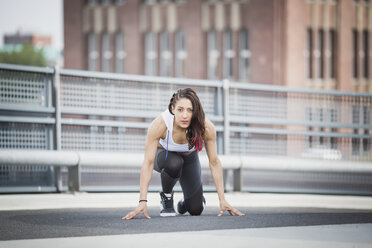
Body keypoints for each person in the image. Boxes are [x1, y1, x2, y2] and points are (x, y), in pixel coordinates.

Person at [122, 88, 244, 219]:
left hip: (189, 159)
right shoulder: (160, 124)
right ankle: (167, 197)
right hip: (164, 156)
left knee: (196, 209)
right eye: (180, 109)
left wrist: (222, 200)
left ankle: (187, 201)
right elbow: (148, 162)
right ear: (173, 108)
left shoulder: (206, 127)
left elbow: (214, 162)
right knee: (175, 162)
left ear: (195, 111)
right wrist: (142, 201)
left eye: (189, 110)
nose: (185, 115)